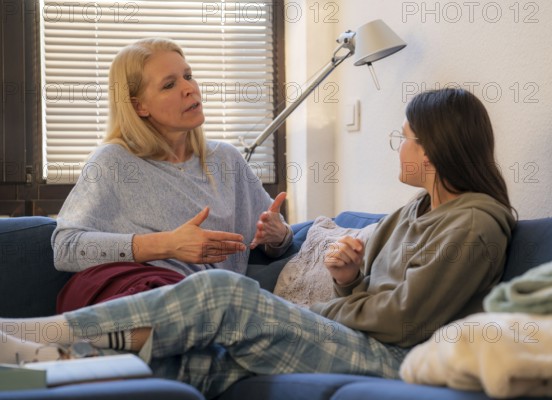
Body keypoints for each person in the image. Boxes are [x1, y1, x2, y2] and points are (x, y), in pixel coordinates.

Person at [1, 88, 516, 399]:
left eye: (403, 137)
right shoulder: (413, 211)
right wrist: (347, 278)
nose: (397, 147)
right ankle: (18, 379)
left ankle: (29, 332)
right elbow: (370, 295)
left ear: (433, 150)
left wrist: (322, 310)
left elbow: (406, 322)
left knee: (225, 293)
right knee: (189, 363)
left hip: (394, 359)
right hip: (361, 337)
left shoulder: (474, 226)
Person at [50, 38, 293, 311]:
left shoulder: (226, 159)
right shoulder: (113, 162)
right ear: (139, 106)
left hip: (224, 308)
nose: (189, 89)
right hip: (161, 307)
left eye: (188, 76)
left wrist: (279, 235)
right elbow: (66, 248)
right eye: (169, 84)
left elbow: (275, 242)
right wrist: (167, 245)